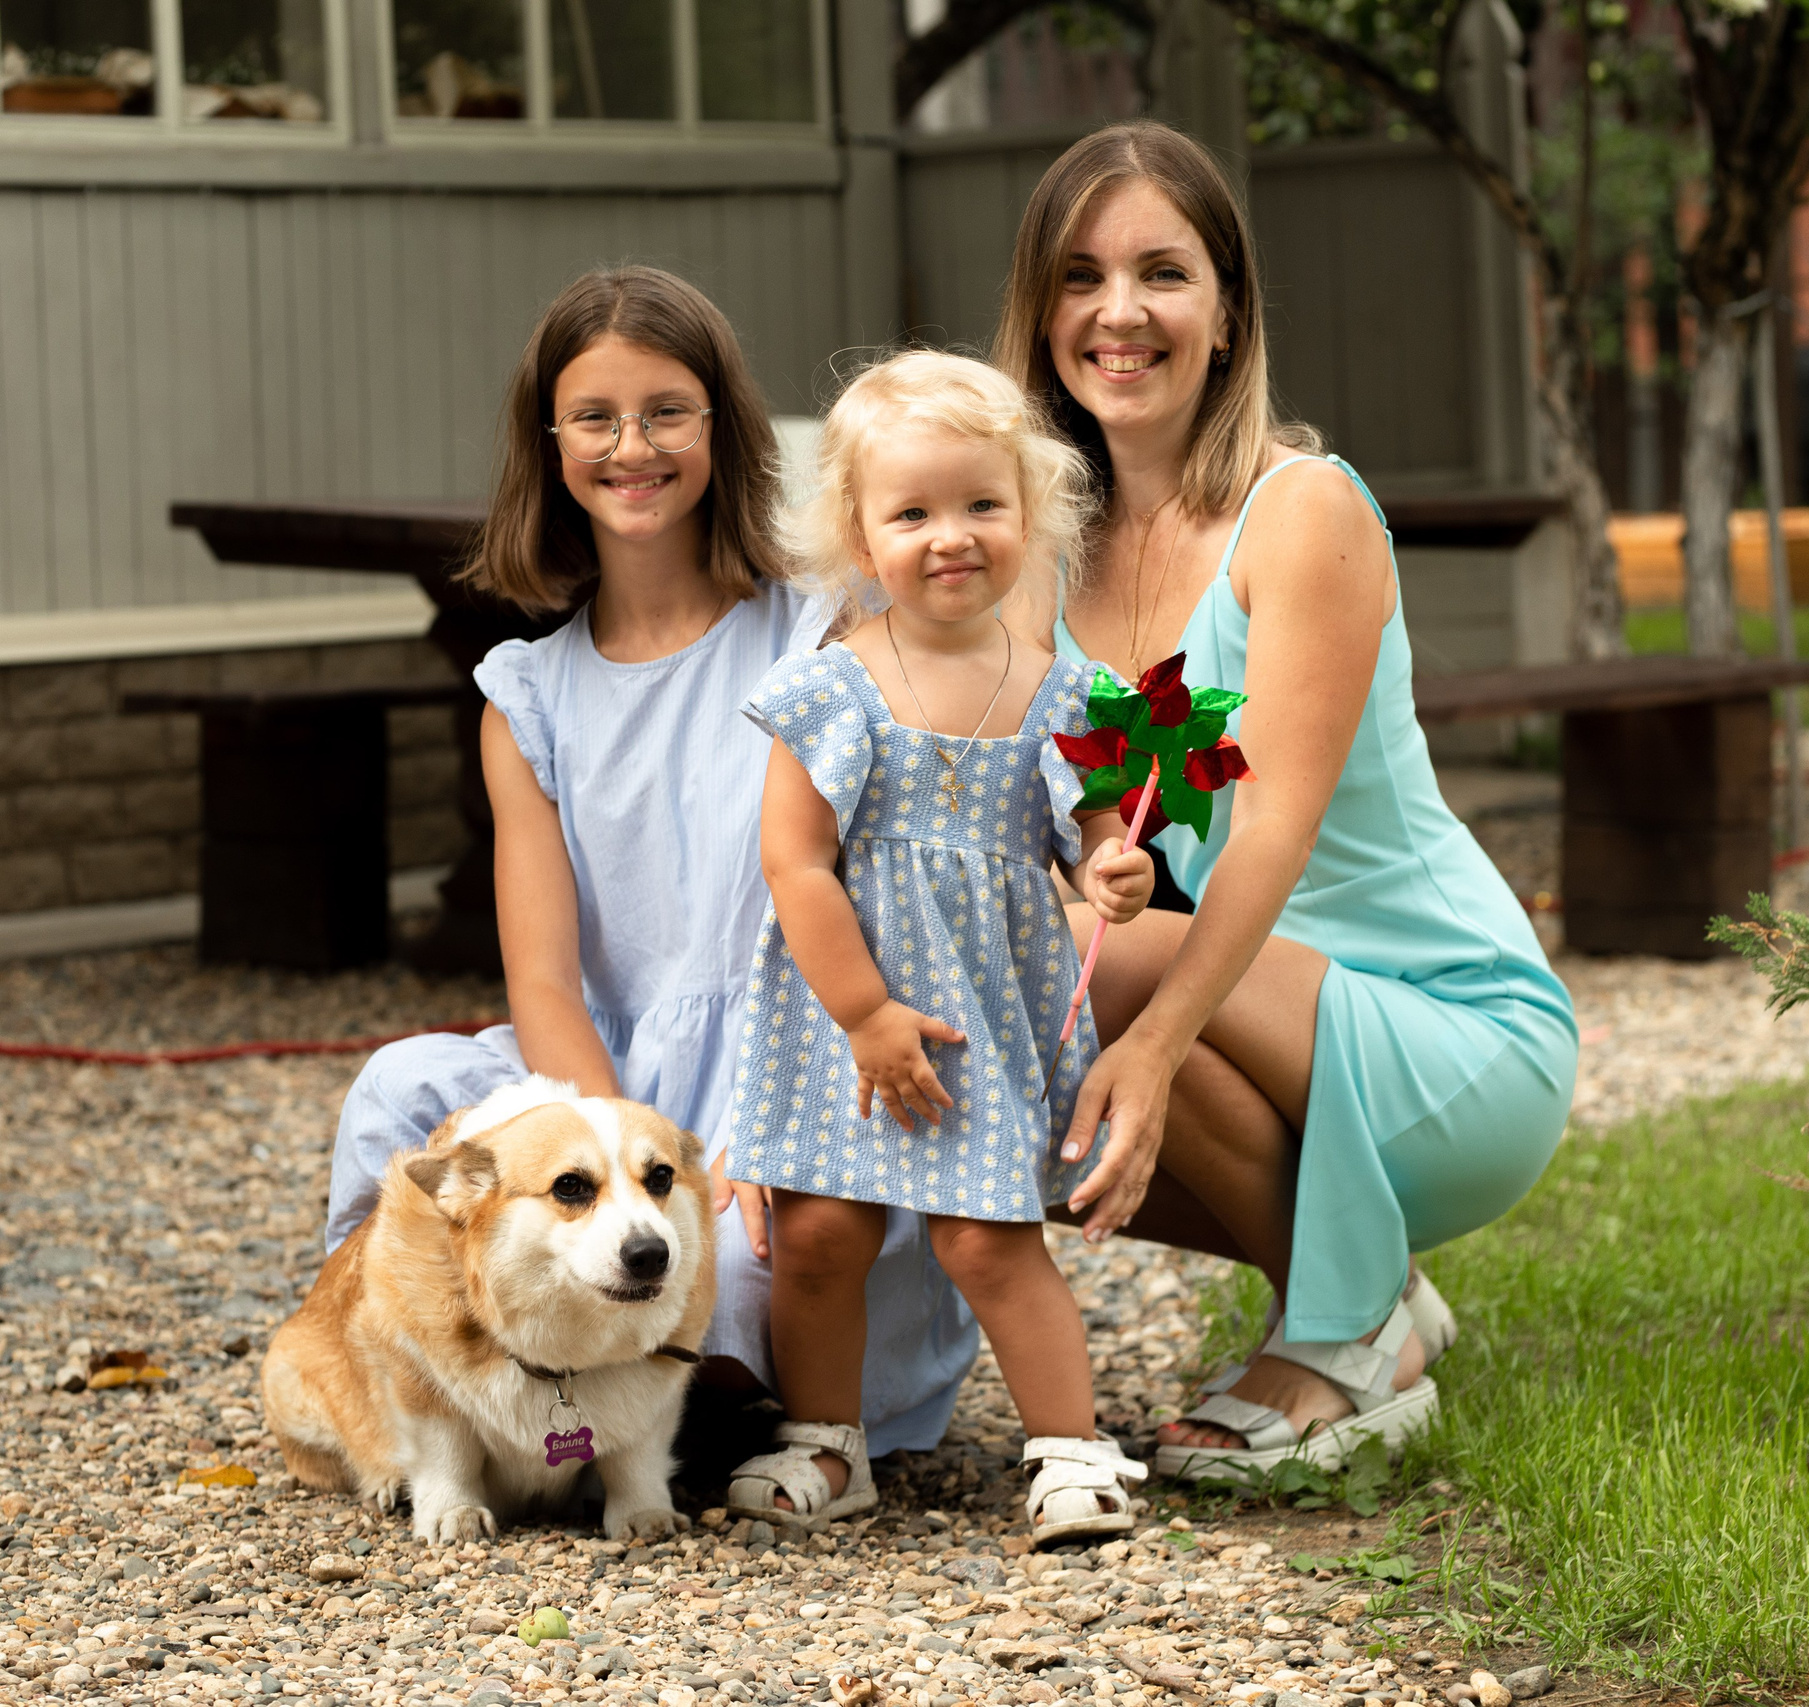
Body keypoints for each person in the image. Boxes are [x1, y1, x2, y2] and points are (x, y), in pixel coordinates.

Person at [995, 123, 1579, 1478]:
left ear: (1227, 312)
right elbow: (1055, 810)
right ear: (1039, 314)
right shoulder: (1040, 556)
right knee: (1009, 1050)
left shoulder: (1302, 511)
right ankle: (1370, 1296)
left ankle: (1348, 1327)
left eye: (1162, 273)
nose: (1119, 312)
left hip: (1450, 1030)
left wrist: (1145, 1045)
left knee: (1072, 973)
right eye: (1080, 276)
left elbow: (1272, 826)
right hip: (1259, 1021)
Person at [323, 267, 978, 1458]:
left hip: (801, 1062)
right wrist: (628, 1163)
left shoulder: (822, 630)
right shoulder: (527, 698)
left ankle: (664, 1417)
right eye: (595, 418)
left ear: (721, 426)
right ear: (550, 442)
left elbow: (881, 907)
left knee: (734, 1264)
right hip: (600, 1091)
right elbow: (544, 984)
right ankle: (449, 1393)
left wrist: (736, 1152)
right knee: (399, 1096)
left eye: (667, 412)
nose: (632, 447)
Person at [717, 352, 1158, 1544]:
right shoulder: (831, 690)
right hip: (844, 1019)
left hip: (979, 1015)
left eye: (980, 505)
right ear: (859, 540)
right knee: (819, 1235)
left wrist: (1113, 868)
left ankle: (1069, 1448)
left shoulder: (1068, 695)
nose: (949, 536)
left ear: (1031, 515)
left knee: (986, 1238)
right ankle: (826, 1444)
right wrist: (865, 1014)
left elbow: (1097, 834)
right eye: (910, 513)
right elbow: (795, 864)